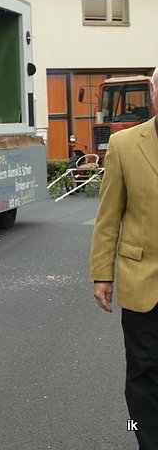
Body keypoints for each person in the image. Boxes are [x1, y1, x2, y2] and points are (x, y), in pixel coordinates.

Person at [90, 66, 158, 450]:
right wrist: (103, 274)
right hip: (142, 279)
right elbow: (108, 216)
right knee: (143, 372)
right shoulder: (124, 144)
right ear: (154, 96)